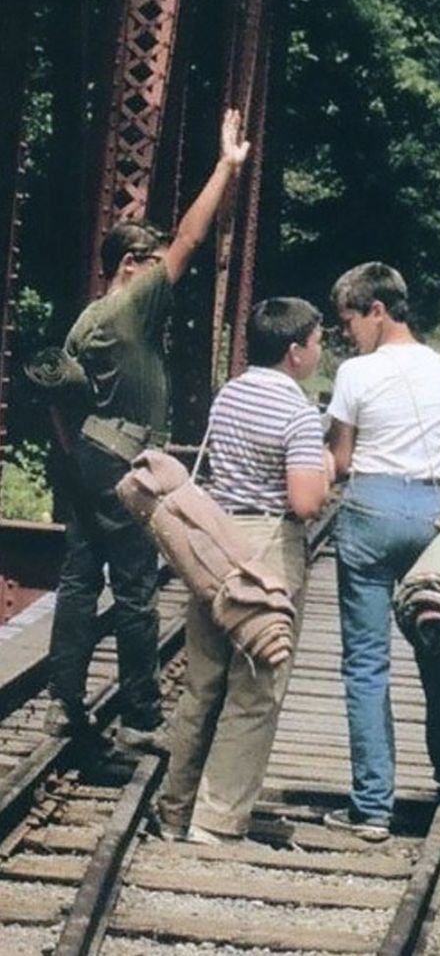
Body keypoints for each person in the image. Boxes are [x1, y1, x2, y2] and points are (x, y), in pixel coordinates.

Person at [45, 109, 249, 753]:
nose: (167, 271)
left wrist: (80, 452)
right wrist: (225, 166)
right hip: (125, 460)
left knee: (80, 578)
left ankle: (66, 697)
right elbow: (190, 239)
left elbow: (55, 398)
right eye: (154, 261)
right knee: (135, 586)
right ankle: (140, 716)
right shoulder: (131, 305)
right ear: (133, 264)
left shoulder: (85, 321)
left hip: (87, 458)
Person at [157, 297, 332, 843]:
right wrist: (324, 469)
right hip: (266, 547)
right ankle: (217, 819)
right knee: (255, 688)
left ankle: (174, 810)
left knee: (202, 682)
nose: (321, 349)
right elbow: (305, 504)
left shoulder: (229, 395)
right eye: (317, 341)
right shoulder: (299, 413)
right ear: (294, 351)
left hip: (213, 542)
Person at [324, 262, 440, 842]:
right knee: (437, 643)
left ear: (377, 311)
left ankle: (373, 808)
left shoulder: (356, 374)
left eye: (350, 320)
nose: (346, 333)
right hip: (431, 514)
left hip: (370, 513)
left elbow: (339, 460)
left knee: (366, 662)